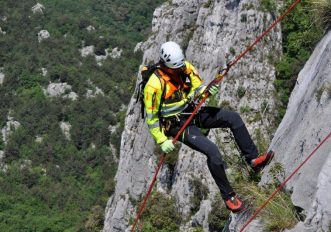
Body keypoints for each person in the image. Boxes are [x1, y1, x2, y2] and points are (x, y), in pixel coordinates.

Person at [143, 41, 274, 213]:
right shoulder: (154, 85)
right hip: (176, 124)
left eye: (180, 66)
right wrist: (161, 140)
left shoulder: (185, 67)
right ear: (166, 66)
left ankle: (253, 160)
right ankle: (229, 196)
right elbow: (151, 118)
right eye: (176, 68)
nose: (179, 70)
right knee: (213, 152)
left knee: (232, 118)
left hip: (192, 111)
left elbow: (197, 87)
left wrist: (206, 91)